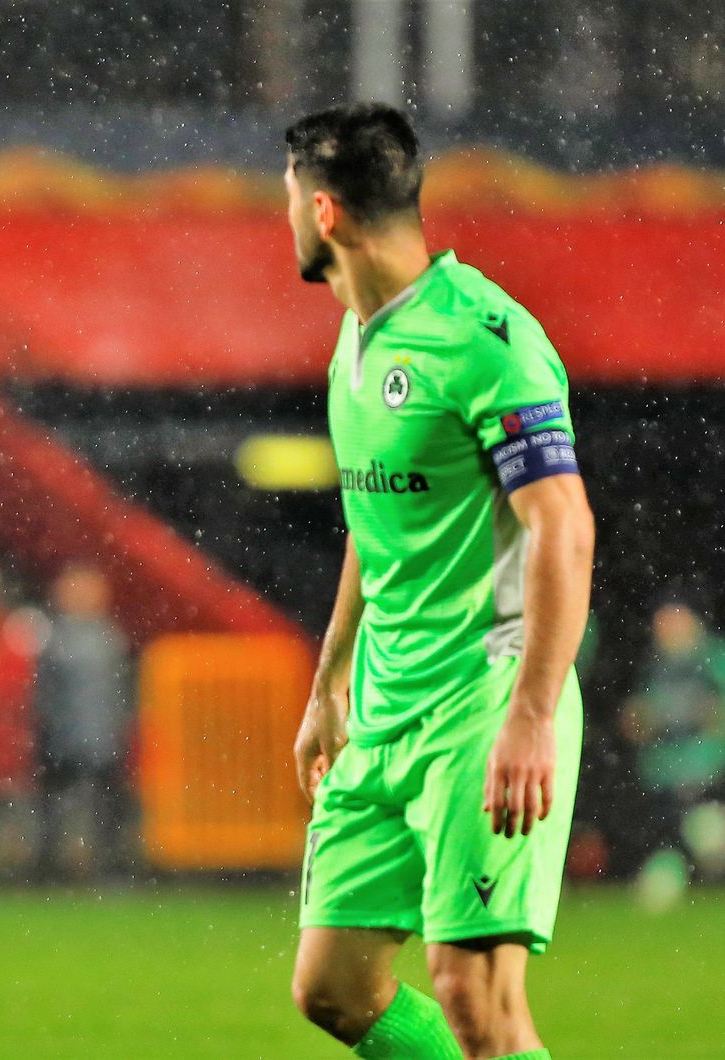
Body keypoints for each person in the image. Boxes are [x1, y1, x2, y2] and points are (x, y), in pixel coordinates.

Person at [283, 104, 594, 1060]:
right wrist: (331, 678)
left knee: (477, 1001)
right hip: (382, 702)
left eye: (288, 199)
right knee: (334, 988)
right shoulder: (355, 339)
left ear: (325, 211)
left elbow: (564, 526)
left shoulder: (487, 339)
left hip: (482, 701)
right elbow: (376, 527)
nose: (285, 218)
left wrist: (532, 715)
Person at [30, 563, 132, 881]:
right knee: (56, 806)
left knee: (105, 807)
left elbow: (119, 694)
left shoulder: (109, 638)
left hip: (100, 736)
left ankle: (107, 865)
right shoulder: (56, 638)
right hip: (64, 736)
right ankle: (52, 866)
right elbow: (45, 692)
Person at [621, 601, 725, 902]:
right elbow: (639, 718)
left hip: (706, 769)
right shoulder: (657, 667)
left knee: (704, 832)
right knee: (674, 837)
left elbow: (715, 713)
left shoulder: (712, 659)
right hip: (664, 770)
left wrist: (694, 714)